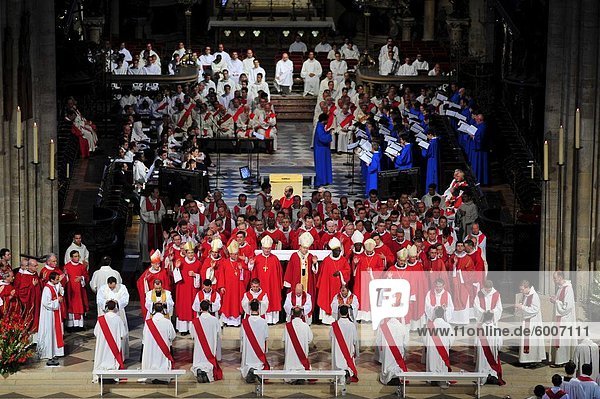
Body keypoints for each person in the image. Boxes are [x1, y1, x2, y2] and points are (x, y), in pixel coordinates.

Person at [317, 237, 351, 324]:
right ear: (332, 250)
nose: (338, 252)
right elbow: (322, 275)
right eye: (336, 250)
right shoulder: (326, 260)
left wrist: (340, 273)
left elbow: (348, 271)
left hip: (339, 286)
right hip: (328, 286)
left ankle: (338, 318)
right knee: (327, 299)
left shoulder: (343, 260)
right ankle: (327, 320)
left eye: (339, 250)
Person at [250, 236, 283, 324]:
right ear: (262, 248)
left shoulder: (275, 259)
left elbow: (279, 273)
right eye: (265, 248)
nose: (267, 250)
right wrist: (251, 264)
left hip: (273, 285)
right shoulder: (257, 258)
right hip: (261, 285)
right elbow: (252, 271)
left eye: (269, 248)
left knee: (273, 299)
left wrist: (279, 285)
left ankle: (272, 320)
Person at [93, 300, 127, 383]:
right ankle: (113, 374)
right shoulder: (118, 319)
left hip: (102, 346)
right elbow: (123, 334)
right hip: (114, 346)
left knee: (102, 356)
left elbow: (96, 333)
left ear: (106, 307)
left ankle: (100, 372)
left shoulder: (101, 319)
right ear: (115, 308)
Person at [96, 276, 130, 359]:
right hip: (107, 313)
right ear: (107, 284)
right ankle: (107, 354)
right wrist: (106, 303)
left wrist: (117, 303)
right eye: (110, 287)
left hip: (119, 313)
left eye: (113, 287)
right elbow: (99, 299)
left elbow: (125, 299)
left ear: (116, 283)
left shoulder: (122, 288)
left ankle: (121, 355)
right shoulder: (103, 288)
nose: (112, 288)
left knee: (120, 333)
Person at [217, 240, 249, 326]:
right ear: (230, 254)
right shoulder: (225, 262)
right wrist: (222, 286)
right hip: (227, 287)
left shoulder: (240, 262)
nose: (234, 256)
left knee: (236, 303)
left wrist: (241, 269)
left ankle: (236, 322)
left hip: (238, 288)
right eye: (232, 254)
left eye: (236, 254)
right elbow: (221, 275)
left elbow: (246, 275)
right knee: (227, 303)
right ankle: (226, 320)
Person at [142, 302, 176, 383]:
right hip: (163, 349)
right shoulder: (167, 322)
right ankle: (162, 376)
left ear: (153, 310)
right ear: (163, 310)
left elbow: (144, 336)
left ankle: (151, 375)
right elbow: (172, 336)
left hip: (151, 348)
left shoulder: (148, 322)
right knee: (162, 360)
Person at [516, 280, 546, 367]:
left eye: (522, 289)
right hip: (527, 322)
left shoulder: (534, 296)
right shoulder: (527, 295)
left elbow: (534, 309)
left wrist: (521, 307)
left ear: (527, 287)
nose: (521, 291)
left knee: (533, 341)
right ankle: (526, 359)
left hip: (533, 323)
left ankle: (533, 360)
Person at [353, 238, 385, 322]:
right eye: (368, 251)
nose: (369, 253)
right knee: (361, 297)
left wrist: (372, 271)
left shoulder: (377, 257)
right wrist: (355, 264)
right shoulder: (360, 257)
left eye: (370, 251)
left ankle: (370, 317)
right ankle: (360, 317)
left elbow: (381, 268)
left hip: (372, 281)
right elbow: (354, 271)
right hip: (361, 282)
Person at [191, 300, 223, 383]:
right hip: (210, 345)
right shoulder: (215, 320)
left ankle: (199, 369)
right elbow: (219, 333)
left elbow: (192, 335)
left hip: (199, 346)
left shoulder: (195, 321)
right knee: (208, 362)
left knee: (199, 359)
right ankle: (206, 373)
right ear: (209, 308)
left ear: (200, 309)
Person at [174, 241, 201, 334]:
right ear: (185, 252)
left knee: (192, 306)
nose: (190, 254)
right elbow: (176, 277)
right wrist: (177, 268)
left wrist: (195, 275)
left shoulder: (198, 263)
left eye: (192, 252)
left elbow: (201, 276)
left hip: (193, 289)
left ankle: (192, 328)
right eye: (189, 252)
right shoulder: (180, 262)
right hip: (182, 288)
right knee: (183, 307)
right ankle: (183, 329)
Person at [38, 272, 65, 366]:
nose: (58, 281)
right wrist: (58, 301)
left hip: (54, 313)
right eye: (57, 279)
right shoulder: (47, 289)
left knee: (54, 333)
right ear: (52, 280)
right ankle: (49, 353)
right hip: (49, 315)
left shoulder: (53, 286)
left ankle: (54, 352)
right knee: (50, 333)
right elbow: (46, 303)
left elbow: (60, 291)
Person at [550, 271, 576, 366]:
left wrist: (556, 301)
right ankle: (558, 360)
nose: (553, 280)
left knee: (563, 340)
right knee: (559, 339)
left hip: (564, 319)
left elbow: (567, 307)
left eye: (555, 278)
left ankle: (562, 361)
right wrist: (555, 300)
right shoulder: (561, 288)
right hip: (559, 318)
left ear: (560, 277)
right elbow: (560, 301)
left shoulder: (568, 288)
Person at [284, 232, 319, 304]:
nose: (305, 250)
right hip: (296, 282)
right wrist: (288, 284)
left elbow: (314, 272)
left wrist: (315, 263)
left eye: (307, 248)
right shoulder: (294, 256)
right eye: (304, 248)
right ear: (300, 246)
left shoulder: (310, 256)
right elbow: (289, 270)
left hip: (307, 284)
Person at [136, 250, 172, 318]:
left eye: (159, 263)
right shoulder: (147, 273)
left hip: (162, 296)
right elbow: (139, 283)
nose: (158, 265)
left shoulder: (163, 272)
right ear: (152, 264)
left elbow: (167, 285)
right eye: (156, 264)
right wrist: (145, 281)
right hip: (152, 297)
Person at [241, 300, 270, 383]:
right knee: (259, 362)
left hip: (248, 350)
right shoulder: (263, 322)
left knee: (249, 360)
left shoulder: (245, 322)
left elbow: (242, 337)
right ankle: (258, 371)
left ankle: (250, 371)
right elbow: (266, 337)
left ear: (249, 308)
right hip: (259, 350)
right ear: (259, 308)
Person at [13, 259, 42, 338]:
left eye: (37, 265)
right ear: (29, 266)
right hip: (30, 303)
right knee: (31, 319)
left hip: (37, 301)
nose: (37, 267)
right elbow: (22, 292)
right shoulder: (25, 276)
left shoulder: (35, 274)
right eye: (35, 266)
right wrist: (32, 286)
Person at [375, 317, 409, 385]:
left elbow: (378, 342)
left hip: (386, 353)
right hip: (398, 354)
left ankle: (387, 376)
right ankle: (397, 376)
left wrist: (382, 354)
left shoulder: (383, 327)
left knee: (387, 364)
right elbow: (406, 344)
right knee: (396, 364)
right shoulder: (403, 327)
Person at [283, 307, 314, 381]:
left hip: (290, 355)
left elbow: (284, 340)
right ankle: (301, 375)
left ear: (292, 314)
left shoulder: (287, 326)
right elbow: (310, 339)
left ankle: (291, 377)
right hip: (302, 354)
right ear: (301, 314)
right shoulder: (305, 326)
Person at [425, 306, 454, 381]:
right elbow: (452, 338)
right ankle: (443, 378)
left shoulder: (429, 326)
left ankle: (432, 379)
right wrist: (449, 345)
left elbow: (425, 339)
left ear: (435, 314)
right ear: (443, 314)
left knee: (433, 362)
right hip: (443, 348)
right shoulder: (447, 325)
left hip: (432, 349)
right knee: (442, 363)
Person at [331, 305, 359, 383]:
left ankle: (339, 374)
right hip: (348, 348)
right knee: (348, 360)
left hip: (338, 349)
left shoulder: (334, 325)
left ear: (339, 313)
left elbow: (331, 337)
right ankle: (347, 372)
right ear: (348, 313)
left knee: (338, 360)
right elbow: (355, 340)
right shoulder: (352, 325)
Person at [476, 311, 505, 385]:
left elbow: (476, 343)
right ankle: (492, 376)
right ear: (492, 317)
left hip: (482, 353)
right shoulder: (497, 329)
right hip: (493, 353)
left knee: (482, 364)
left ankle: (482, 379)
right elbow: (500, 345)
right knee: (492, 365)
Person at [64, 250, 89, 330]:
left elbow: (86, 276)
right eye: (75, 256)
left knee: (79, 305)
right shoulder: (67, 266)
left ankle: (79, 325)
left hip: (80, 291)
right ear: (71, 257)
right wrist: (65, 275)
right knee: (71, 306)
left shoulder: (82, 266)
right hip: (70, 291)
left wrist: (81, 278)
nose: (77, 258)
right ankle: (71, 325)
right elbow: (64, 279)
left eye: (78, 256)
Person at [140, 188, 166, 262]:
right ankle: (148, 259)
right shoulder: (145, 202)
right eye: (156, 192)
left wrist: (158, 213)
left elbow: (163, 211)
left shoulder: (159, 201)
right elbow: (143, 213)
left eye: (158, 192)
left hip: (157, 225)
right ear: (152, 193)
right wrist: (152, 213)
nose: (158, 194)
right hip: (148, 226)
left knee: (158, 242)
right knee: (147, 243)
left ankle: (158, 258)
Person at [313, 113, 333, 187]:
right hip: (320, 150)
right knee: (321, 166)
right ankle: (321, 181)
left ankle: (326, 180)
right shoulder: (319, 127)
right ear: (324, 120)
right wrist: (329, 134)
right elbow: (322, 138)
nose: (328, 121)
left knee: (324, 165)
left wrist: (327, 132)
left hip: (323, 149)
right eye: (327, 120)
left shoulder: (320, 126)